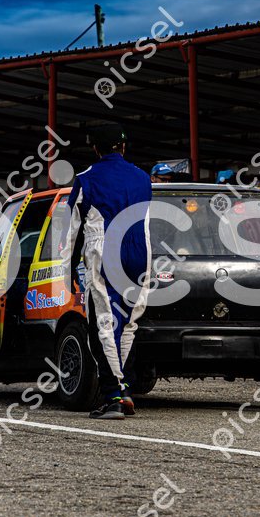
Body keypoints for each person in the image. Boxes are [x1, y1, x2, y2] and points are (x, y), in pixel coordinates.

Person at [61, 123, 152, 420]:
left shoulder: (86, 179)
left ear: (95, 149)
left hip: (105, 252)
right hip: (140, 253)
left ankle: (113, 395)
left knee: (102, 324)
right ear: (123, 147)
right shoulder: (143, 178)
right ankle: (124, 390)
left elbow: (72, 230)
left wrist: (68, 270)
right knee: (128, 324)